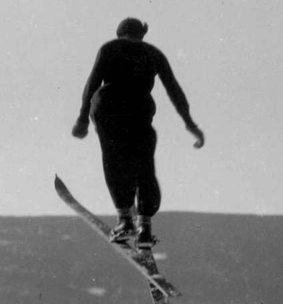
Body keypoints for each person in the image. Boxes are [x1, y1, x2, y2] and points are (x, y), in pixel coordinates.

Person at [71, 17, 204, 249]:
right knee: (144, 165)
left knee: (114, 161)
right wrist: (189, 123)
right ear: (141, 34)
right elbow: (174, 89)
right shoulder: (153, 52)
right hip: (139, 112)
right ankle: (145, 225)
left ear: (119, 32)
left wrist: (82, 119)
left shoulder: (109, 48)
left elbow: (92, 83)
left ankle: (125, 220)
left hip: (108, 110)